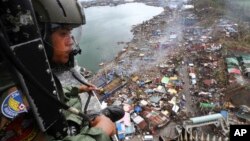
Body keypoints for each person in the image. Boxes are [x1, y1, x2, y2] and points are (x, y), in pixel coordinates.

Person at [31, 0, 124, 140]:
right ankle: (93, 122)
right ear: (38, 37)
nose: (71, 42)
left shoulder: (32, 77)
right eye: (63, 34)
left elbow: (53, 96)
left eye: (70, 33)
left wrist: (78, 89)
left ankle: (89, 120)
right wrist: (99, 134)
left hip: (68, 120)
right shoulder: (15, 94)